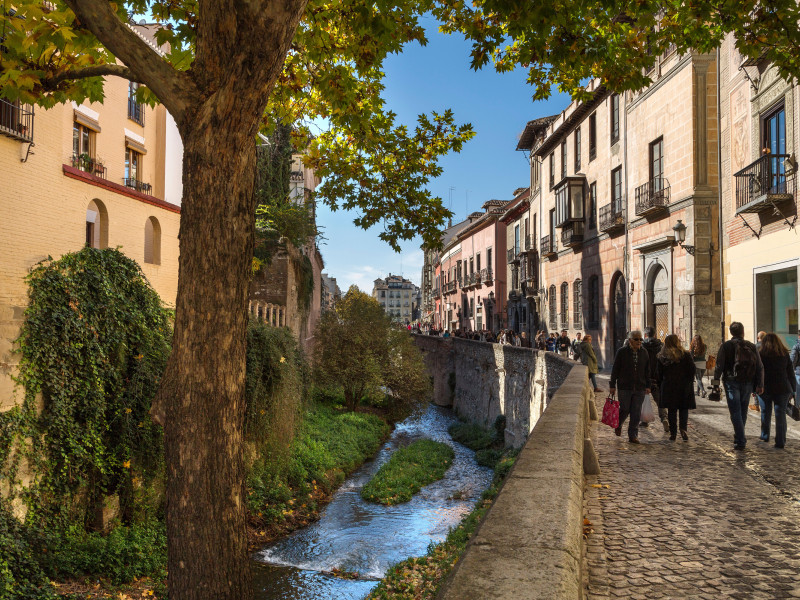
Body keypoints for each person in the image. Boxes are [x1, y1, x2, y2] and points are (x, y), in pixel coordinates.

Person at [713, 322, 764, 450]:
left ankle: (740, 439)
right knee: (743, 410)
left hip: (731, 381)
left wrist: (715, 383)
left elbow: (719, 366)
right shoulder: (751, 346)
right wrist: (760, 384)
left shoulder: (726, 346)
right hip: (748, 381)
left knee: (735, 411)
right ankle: (739, 437)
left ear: (731, 333)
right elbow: (760, 366)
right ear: (743, 332)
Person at [609, 330, 651, 444]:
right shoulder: (622, 352)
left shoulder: (644, 353)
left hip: (640, 387)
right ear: (630, 340)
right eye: (636, 339)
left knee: (636, 412)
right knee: (625, 409)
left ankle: (633, 435)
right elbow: (615, 369)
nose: (639, 341)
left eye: (640, 339)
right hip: (624, 386)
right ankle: (618, 424)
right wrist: (612, 385)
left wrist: (648, 385)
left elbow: (647, 371)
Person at [757, 333, 796, 448]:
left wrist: (756, 386)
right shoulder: (784, 355)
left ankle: (765, 435)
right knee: (780, 415)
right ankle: (780, 441)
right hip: (782, 388)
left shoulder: (761, 355)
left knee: (765, 412)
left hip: (765, 388)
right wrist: (793, 390)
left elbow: (758, 372)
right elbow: (790, 373)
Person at [655, 334, 696, 441]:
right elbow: (692, 370)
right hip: (684, 386)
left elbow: (659, 374)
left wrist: (661, 384)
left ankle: (673, 433)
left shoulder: (662, 357)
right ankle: (683, 429)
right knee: (683, 409)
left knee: (672, 410)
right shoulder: (685, 355)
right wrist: (689, 381)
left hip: (669, 386)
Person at [642, 327, 669, 433]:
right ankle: (664, 419)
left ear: (645, 335)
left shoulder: (642, 346)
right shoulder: (661, 345)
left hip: (644, 378)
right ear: (655, 334)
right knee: (660, 402)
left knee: (643, 401)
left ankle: (644, 420)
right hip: (657, 378)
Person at [791, 330, 800, 410]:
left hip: (799, 373)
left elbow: (792, 361)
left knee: (798, 393)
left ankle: (798, 408)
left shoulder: (796, 346)